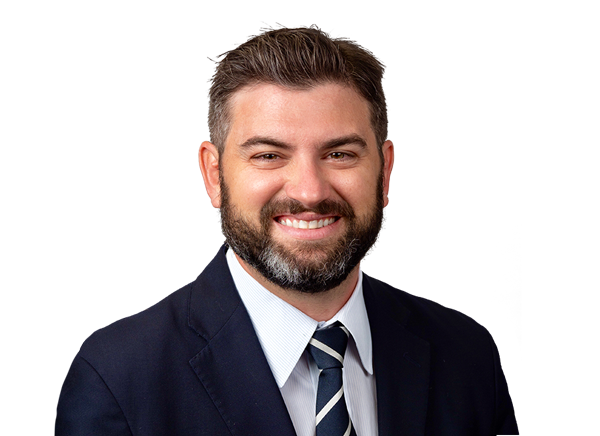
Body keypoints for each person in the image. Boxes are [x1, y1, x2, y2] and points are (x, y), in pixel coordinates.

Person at [54, 27, 520, 435]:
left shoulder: (467, 355)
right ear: (213, 175)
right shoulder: (106, 378)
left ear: (385, 172)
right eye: (268, 155)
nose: (309, 191)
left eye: (340, 154)